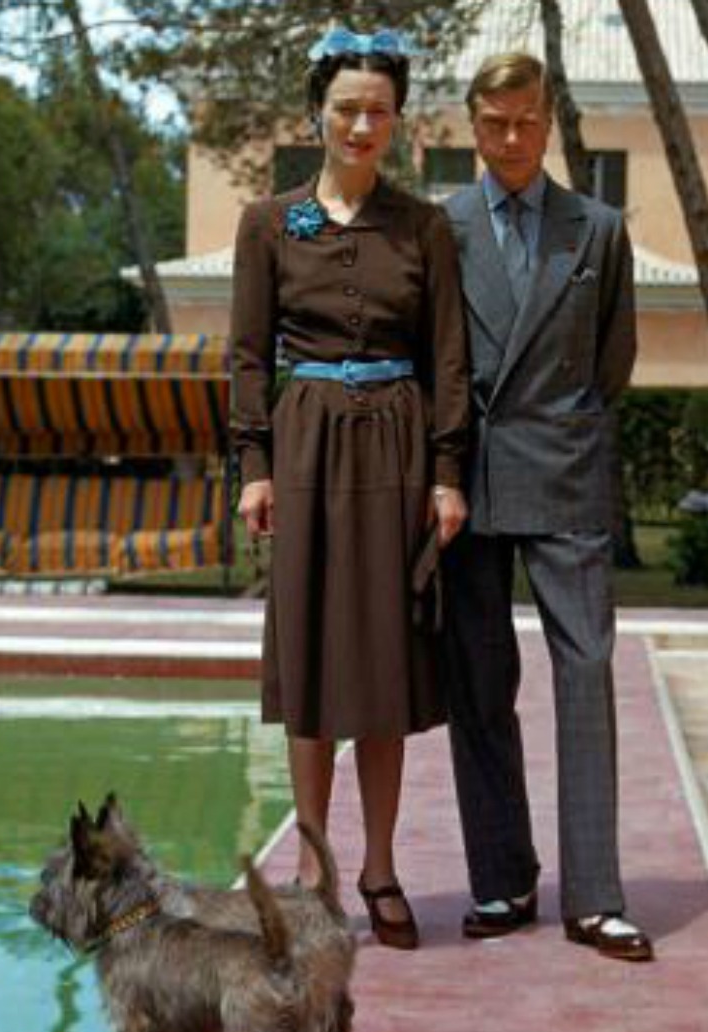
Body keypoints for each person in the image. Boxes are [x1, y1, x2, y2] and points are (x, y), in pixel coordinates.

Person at [231, 27, 469, 950]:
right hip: (305, 449)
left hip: (399, 447)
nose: (361, 124)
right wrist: (253, 466)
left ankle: (379, 866)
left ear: (398, 120)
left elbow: (449, 357)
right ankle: (312, 869)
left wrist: (447, 475)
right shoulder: (267, 221)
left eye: (377, 110)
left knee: (384, 660)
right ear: (318, 117)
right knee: (309, 659)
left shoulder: (425, 226)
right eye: (346, 109)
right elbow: (249, 354)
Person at [443, 52, 653, 961]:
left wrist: (569, 428)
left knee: (586, 675)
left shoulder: (598, 229)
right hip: (475, 474)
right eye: (496, 124)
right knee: (480, 685)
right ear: (473, 126)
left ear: (547, 121)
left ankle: (596, 897)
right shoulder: (440, 227)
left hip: (567, 469)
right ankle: (502, 879)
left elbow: (614, 361)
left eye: (527, 120)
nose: (514, 138)